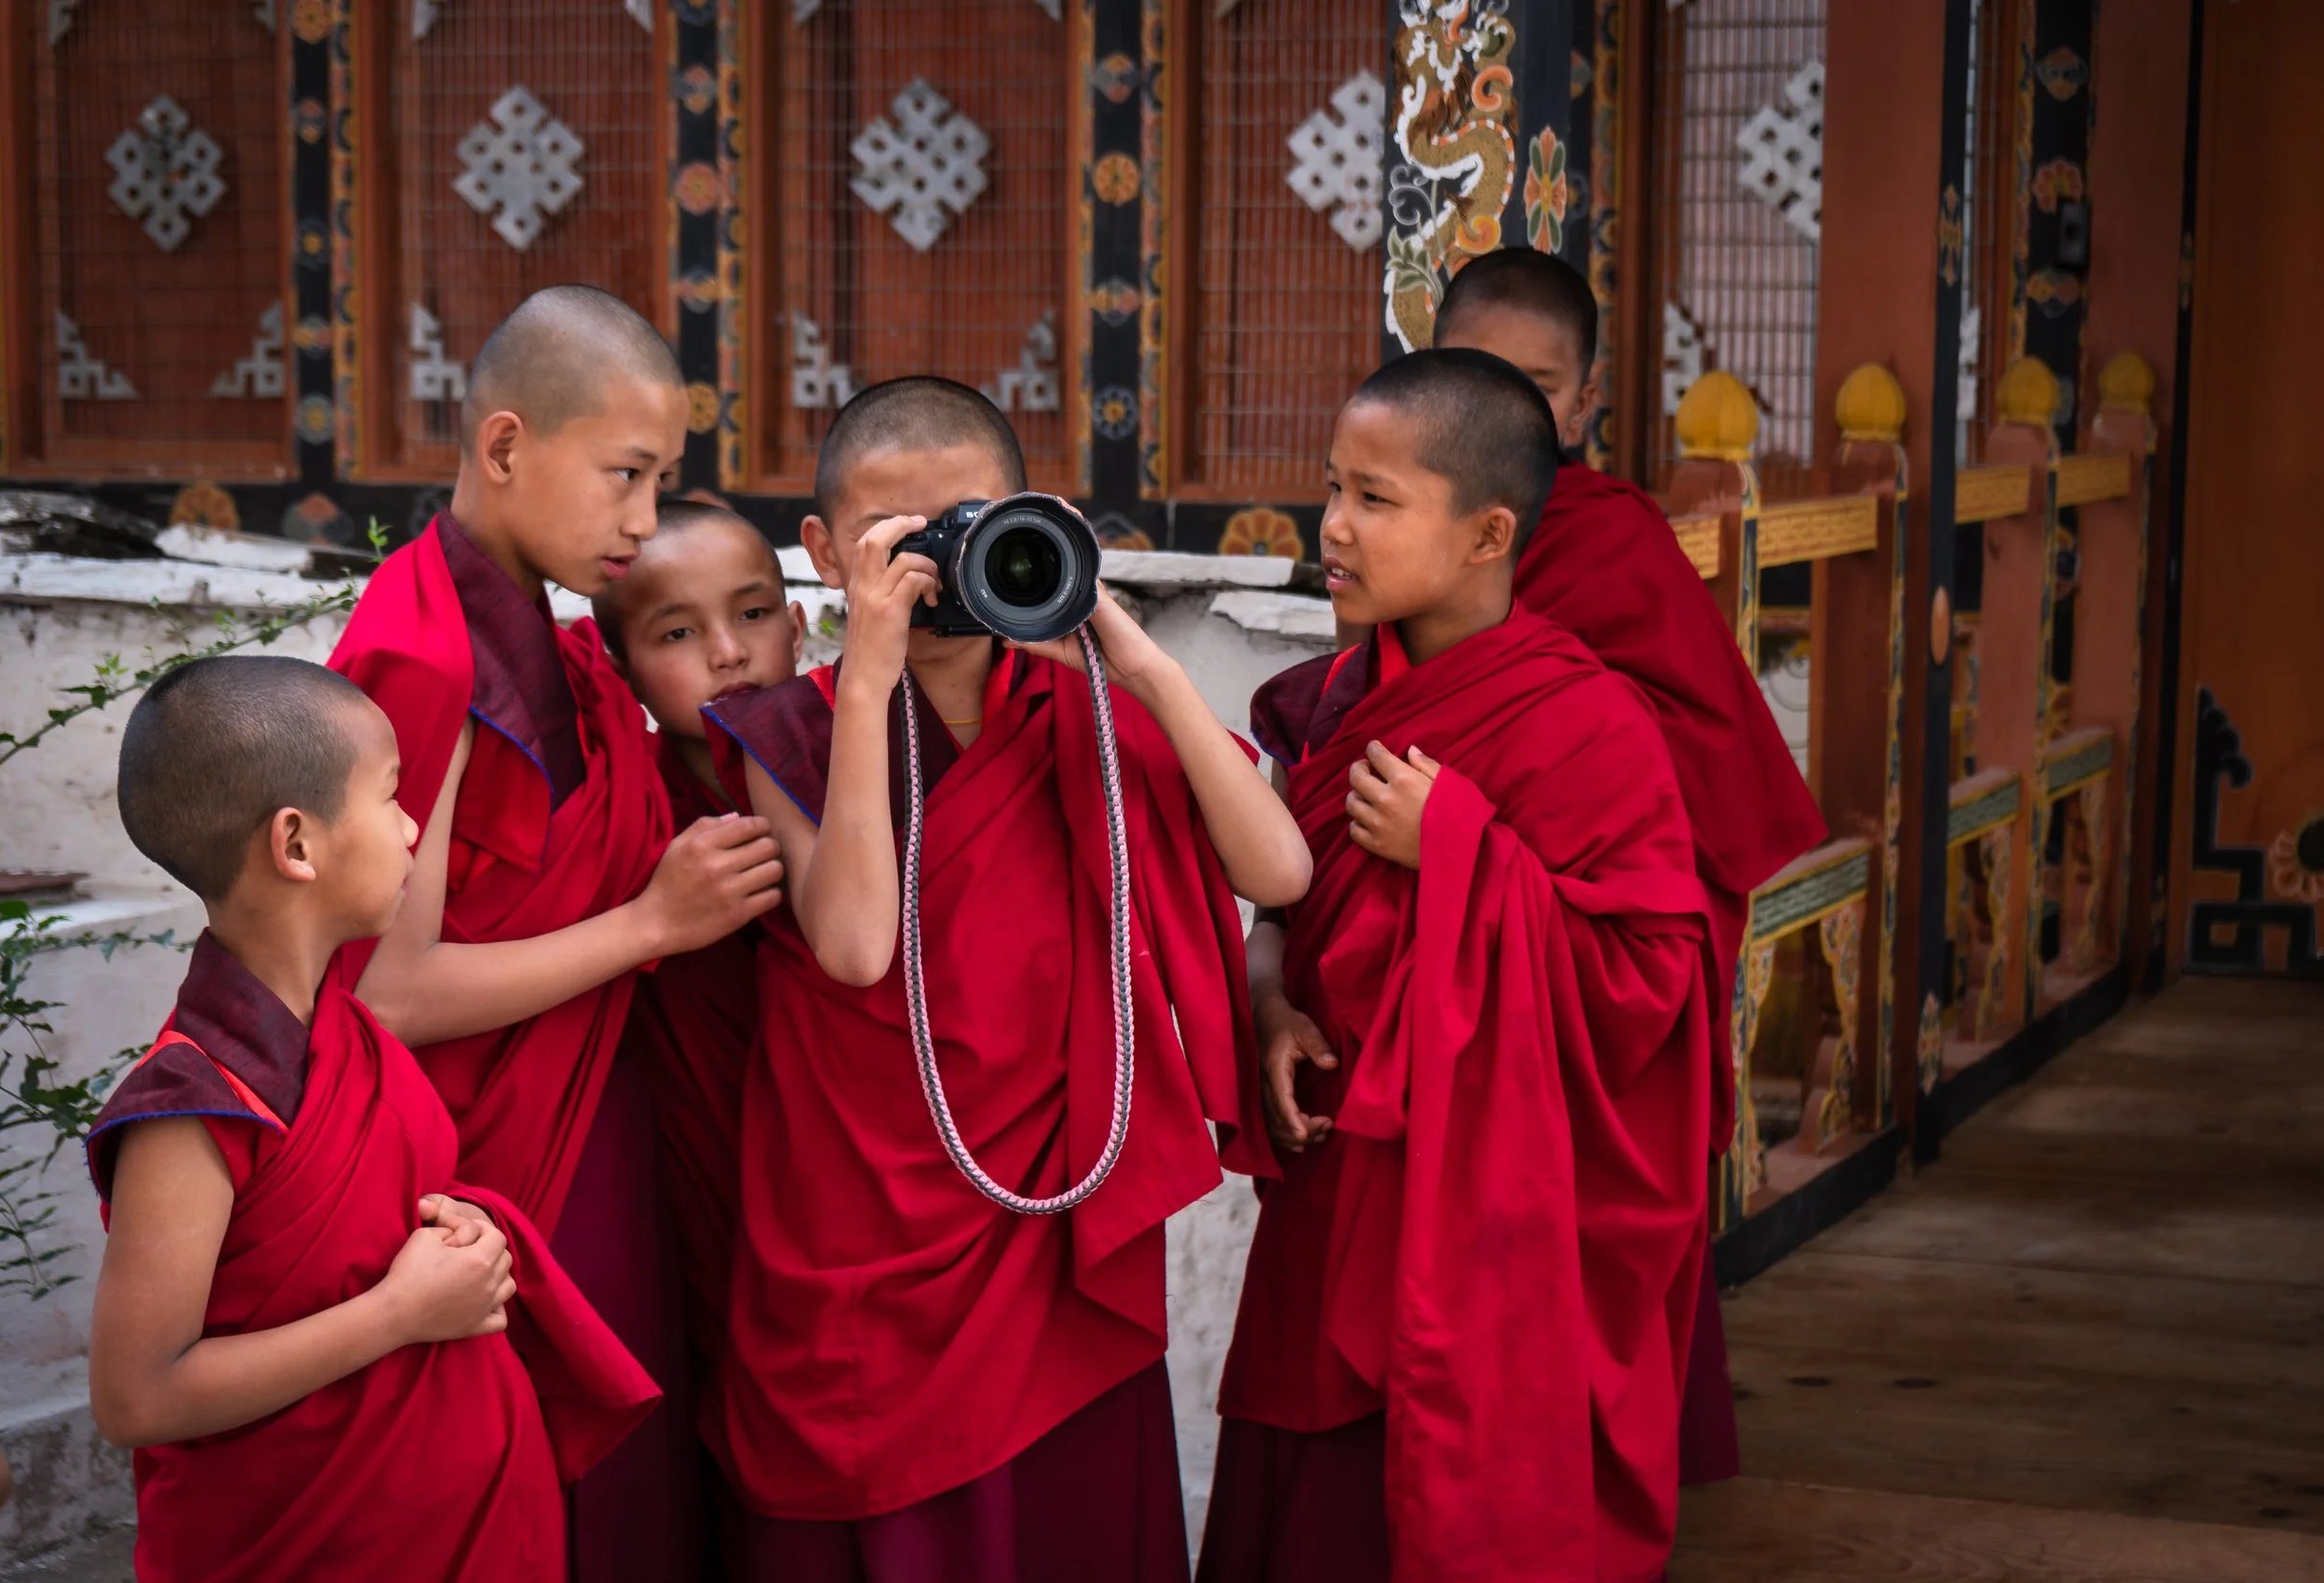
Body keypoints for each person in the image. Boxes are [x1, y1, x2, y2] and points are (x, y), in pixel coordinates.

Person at [702, 376, 1309, 1578]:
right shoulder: (791, 730)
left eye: (963, 528)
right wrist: (867, 680)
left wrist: (1134, 657)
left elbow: (1276, 865)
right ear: (824, 551)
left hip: (1053, 1243)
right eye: (896, 542)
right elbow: (858, 946)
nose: (933, 569)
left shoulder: (1084, 716)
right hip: (864, 1229)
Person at [1200, 350, 1713, 1583]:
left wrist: (1464, 852)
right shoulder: (1324, 701)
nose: (1333, 524)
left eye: (1376, 499)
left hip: (1485, 1219)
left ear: (1489, 531)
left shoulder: (1586, 724)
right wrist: (1268, 999)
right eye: (1333, 487)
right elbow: (1286, 905)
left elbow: (1654, 983)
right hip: (1337, 1184)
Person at [327, 286, 783, 1578]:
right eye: (625, 476)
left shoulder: (553, 640)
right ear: (508, 445)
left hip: (594, 1111)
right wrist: (653, 921)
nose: (644, 519)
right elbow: (389, 991)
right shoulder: (426, 657)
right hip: (496, 1160)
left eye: (665, 480)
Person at [87, 655, 657, 1583]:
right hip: (312, 1538)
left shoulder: (341, 1026)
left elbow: (384, 1208)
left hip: (448, 1508)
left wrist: (456, 1225)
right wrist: (397, 1312)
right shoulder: (190, 1109)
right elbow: (137, 1395)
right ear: (296, 844)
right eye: (392, 797)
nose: (410, 827)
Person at [1431, 247, 1827, 1484]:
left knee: (1582, 1229)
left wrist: (1518, 797)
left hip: (1582, 938)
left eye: (1541, 386)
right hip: (1447, 941)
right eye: (1483, 375)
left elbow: (1684, 765)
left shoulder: (1614, 540)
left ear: (1591, 402)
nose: (1514, 411)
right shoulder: (1401, 512)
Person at [589, 498, 805, 1510]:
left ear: (800, 625)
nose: (728, 652)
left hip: (843, 1150)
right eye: (677, 632)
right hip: (690, 1144)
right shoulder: (615, 801)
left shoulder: (865, 764)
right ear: (622, 668)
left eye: (754, 613)